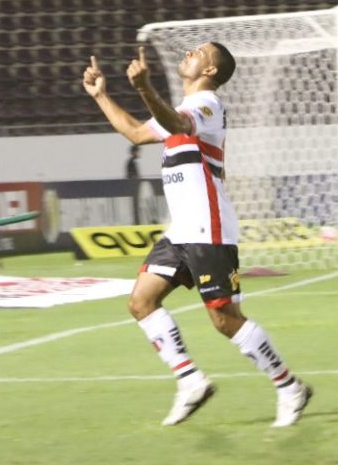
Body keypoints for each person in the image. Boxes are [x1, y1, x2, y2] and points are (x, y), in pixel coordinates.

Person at [82, 43, 312, 427]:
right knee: (141, 302)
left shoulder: (207, 105)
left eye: (199, 51)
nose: (189, 52)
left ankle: (290, 387)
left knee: (224, 320)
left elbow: (179, 125)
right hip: (182, 231)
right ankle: (191, 381)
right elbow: (137, 133)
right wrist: (102, 95)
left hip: (210, 227)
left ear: (210, 70)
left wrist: (143, 89)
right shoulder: (179, 110)